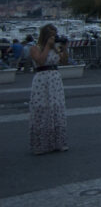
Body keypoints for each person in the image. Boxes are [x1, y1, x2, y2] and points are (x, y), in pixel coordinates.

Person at [29, 24, 68, 155]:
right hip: (42, 79)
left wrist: (64, 49)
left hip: (55, 79)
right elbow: (40, 61)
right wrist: (47, 46)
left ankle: (58, 142)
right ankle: (42, 144)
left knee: (56, 107)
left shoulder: (55, 48)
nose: (53, 38)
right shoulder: (35, 48)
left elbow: (63, 62)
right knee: (42, 108)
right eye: (51, 35)